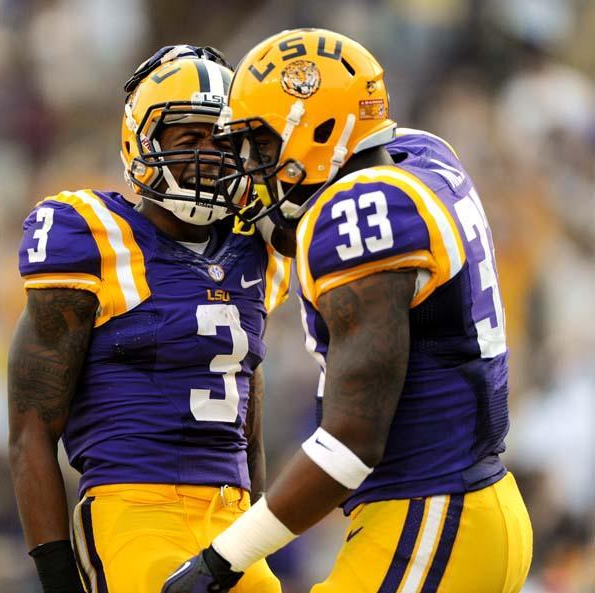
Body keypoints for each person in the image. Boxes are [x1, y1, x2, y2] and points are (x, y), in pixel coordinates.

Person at [162, 29, 533, 593]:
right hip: (469, 509)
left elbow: (350, 445)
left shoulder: (361, 214)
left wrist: (220, 558)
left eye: (260, 144)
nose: (247, 164)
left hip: (432, 513)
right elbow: (302, 223)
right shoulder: (421, 158)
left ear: (321, 131)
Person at [8, 45, 289, 593]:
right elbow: (30, 431)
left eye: (224, 140)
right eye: (189, 139)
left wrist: (253, 532)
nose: (210, 155)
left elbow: (247, 417)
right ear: (142, 142)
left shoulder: (257, 249)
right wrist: (58, 575)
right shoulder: (91, 236)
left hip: (233, 528)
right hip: (131, 512)